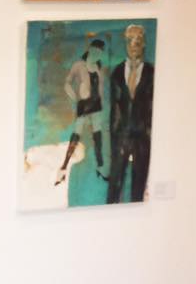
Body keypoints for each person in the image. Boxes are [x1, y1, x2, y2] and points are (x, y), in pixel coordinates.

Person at [107, 24, 154, 203]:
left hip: (143, 138)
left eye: (138, 40)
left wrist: (148, 134)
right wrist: (115, 140)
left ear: (144, 43)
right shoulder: (117, 73)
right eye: (130, 41)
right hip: (121, 137)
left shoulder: (151, 73)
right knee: (115, 186)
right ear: (126, 44)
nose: (134, 45)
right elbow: (115, 110)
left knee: (138, 189)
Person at [55, 38, 108, 186]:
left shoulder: (98, 67)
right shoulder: (79, 65)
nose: (98, 53)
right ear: (90, 49)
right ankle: (63, 168)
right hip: (84, 105)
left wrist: (102, 104)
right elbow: (67, 83)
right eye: (96, 50)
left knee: (97, 137)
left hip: (97, 106)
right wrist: (74, 98)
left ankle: (100, 168)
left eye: (101, 52)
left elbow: (100, 89)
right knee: (76, 136)